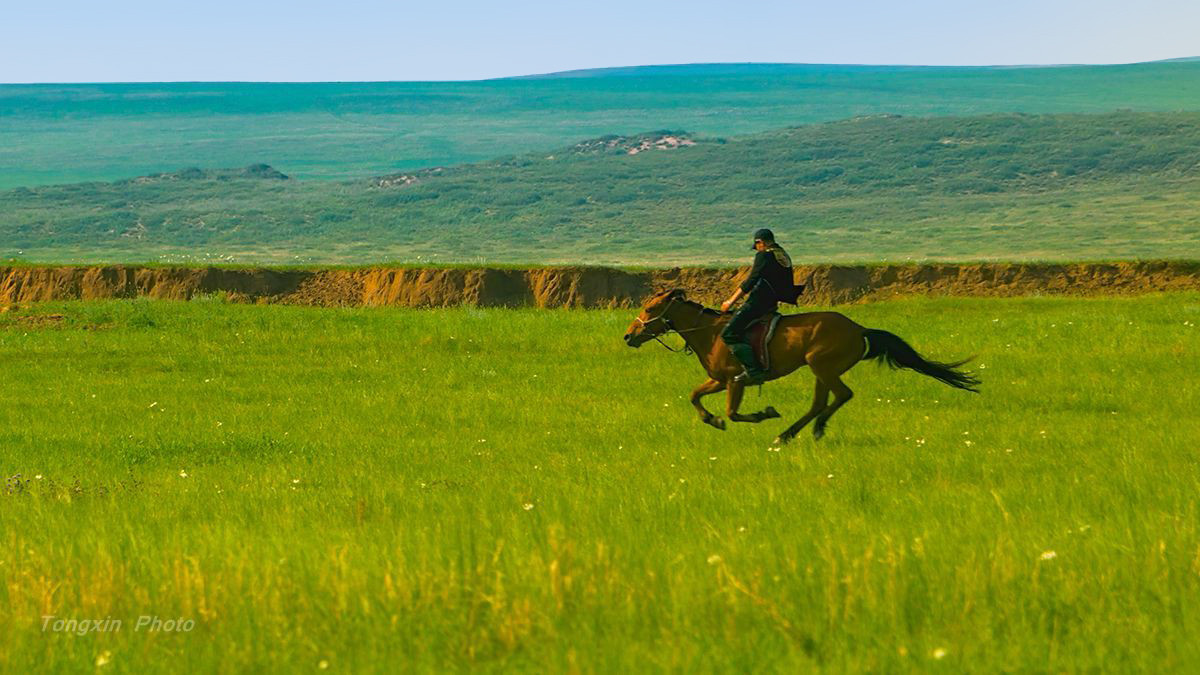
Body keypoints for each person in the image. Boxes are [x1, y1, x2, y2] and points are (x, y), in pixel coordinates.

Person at [720, 228, 801, 384]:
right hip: (772, 302)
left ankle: (753, 370)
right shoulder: (782, 254)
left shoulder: (764, 255)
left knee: (728, 334)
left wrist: (730, 301)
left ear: (760, 242)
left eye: (757, 245)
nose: (757, 248)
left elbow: (751, 280)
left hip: (758, 303)